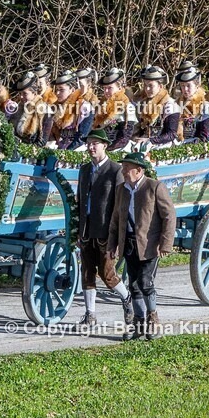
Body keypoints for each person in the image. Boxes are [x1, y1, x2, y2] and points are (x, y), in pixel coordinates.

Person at [107, 152, 176, 340]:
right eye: (123, 167)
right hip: (128, 243)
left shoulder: (155, 187)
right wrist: (113, 244)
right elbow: (116, 218)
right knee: (133, 285)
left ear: (138, 170)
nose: (123, 170)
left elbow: (169, 216)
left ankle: (153, 320)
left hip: (149, 245)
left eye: (127, 168)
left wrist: (165, 244)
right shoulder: (122, 189)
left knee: (145, 282)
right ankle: (138, 324)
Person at [75, 129, 133, 327]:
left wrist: (116, 237)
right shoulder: (84, 170)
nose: (91, 147)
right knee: (86, 272)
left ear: (104, 146)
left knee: (107, 274)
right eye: (89, 144)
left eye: (95, 144)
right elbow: (80, 200)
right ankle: (90, 314)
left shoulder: (115, 170)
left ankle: (127, 299)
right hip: (86, 230)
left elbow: (120, 206)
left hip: (105, 231)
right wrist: (78, 229)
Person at [134, 65, 180, 146]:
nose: (147, 89)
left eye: (151, 86)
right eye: (145, 85)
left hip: (164, 145)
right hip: (143, 143)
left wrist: (150, 140)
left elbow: (171, 134)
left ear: (160, 86)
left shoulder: (170, 105)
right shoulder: (142, 103)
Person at [48, 70, 95, 150]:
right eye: (57, 90)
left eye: (61, 90)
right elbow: (50, 134)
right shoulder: (54, 107)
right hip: (57, 149)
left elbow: (81, 138)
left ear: (72, 90)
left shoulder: (84, 107)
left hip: (77, 151)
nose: (57, 93)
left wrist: (67, 152)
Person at [92, 67, 136, 151]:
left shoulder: (128, 106)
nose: (106, 91)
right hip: (100, 146)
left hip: (119, 148)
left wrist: (107, 149)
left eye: (110, 88)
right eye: (105, 88)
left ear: (119, 88)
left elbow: (125, 137)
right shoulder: (101, 106)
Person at [175, 62, 209, 143]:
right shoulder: (176, 104)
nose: (185, 89)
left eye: (188, 85)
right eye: (182, 86)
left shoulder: (206, 107)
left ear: (197, 86)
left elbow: (203, 138)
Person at [10, 71, 51, 145]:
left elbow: (42, 141)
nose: (21, 97)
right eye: (20, 94)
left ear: (34, 93)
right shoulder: (17, 109)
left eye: (25, 94)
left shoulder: (45, 111)